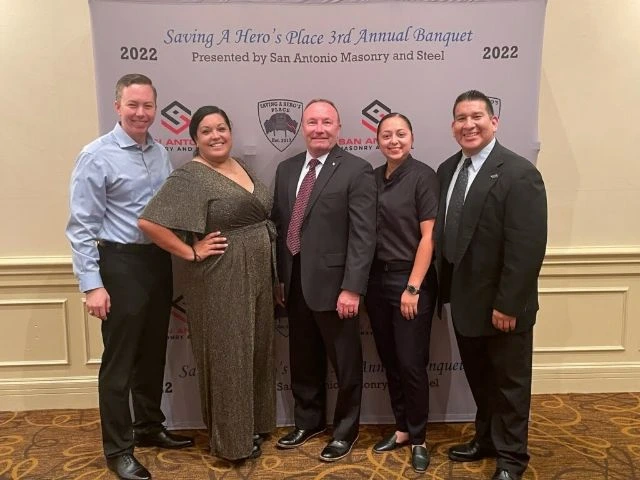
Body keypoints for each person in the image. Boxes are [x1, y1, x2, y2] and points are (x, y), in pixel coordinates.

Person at [65, 73, 193, 480]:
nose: (141, 113)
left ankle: (150, 428)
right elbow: (81, 226)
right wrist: (92, 284)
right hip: (118, 266)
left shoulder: (159, 153)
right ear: (117, 106)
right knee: (119, 364)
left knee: (153, 352)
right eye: (133, 105)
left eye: (148, 106)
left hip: (157, 264)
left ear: (156, 109)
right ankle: (118, 449)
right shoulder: (96, 155)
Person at [138, 105, 276, 462]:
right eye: (206, 131)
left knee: (256, 350)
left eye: (221, 128)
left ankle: (252, 426)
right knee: (229, 355)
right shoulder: (191, 176)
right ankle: (232, 442)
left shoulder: (239, 165)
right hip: (220, 276)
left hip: (258, 271)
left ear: (230, 131)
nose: (216, 136)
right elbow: (149, 223)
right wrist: (191, 252)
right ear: (194, 140)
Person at [434, 90, 547, 480]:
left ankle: (512, 459)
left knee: (510, 387)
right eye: (461, 118)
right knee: (481, 381)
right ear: (452, 127)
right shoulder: (448, 169)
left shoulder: (519, 173)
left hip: (503, 307)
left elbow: (527, 246)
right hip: (464, 302)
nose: (469, 124)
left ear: (494, 121)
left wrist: (509, 304)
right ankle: (486, 440)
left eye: (477, 116)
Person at [271, 99, 376, 462]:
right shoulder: (285, 170)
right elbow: (282, 226)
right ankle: (309, 421)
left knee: (345, 361)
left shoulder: (357, 169)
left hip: (337, 288)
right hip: (294, 282)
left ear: (338, 127)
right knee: (302, 356)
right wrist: (279, 279)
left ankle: (346, 429)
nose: (319, 128)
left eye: (326, 122)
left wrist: (352, 287)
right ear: (302, 127)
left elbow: (364, 235)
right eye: (312, 122)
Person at [364, 113, 439, 473]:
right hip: (376, 282)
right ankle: (402, 428)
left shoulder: (423, 176)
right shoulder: (374, 177)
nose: (394, 140)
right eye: (386, 135)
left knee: (411, 363)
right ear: (377, 140)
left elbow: (429, 237)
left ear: (412, 137)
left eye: (401, 134)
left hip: (410, 282)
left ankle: (420, 437)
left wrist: (413, 287)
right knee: (391, 360)